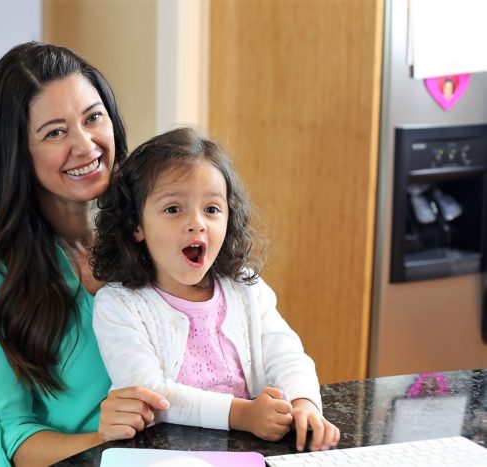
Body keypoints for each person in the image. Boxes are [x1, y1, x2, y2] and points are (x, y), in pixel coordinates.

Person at [0, 42, 169, 467]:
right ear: (16, 154)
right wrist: (103, 443)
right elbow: (12, 435)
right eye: (55, 132)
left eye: (93, 118)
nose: (86, 145)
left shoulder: (159, 228)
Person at [90, 127, 341, 452]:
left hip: (248, 451)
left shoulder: (245, 286)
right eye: (173, 209)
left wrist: (304, 402)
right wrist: (244, 414)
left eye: (211, 209)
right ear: (136, 225)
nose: (198, 223)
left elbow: (287, 353)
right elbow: (149, 392)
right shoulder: (119, 304)